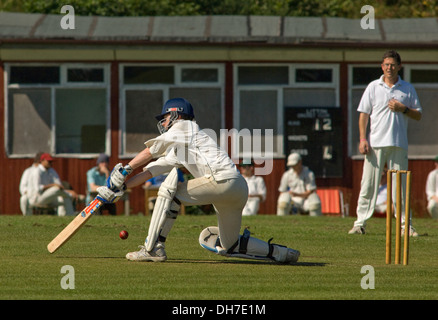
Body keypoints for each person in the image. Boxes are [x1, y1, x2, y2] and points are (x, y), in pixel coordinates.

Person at [97, 97, 300, 264]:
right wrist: (120, 187)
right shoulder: (183, 143)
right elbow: (151, 171)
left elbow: (152, 150)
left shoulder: (185, 127)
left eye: (166, 117)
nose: (163, 122)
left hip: (222, 182)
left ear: (176, 115)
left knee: (171, 190)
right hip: (236, 189)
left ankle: (153, 248)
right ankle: (281, 253)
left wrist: (125, 170)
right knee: (229, 246)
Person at [349, 50, 422, 235]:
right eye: (386, 65)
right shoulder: (373, 87)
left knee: (400, 188)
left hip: (398, 143)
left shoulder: (407, 88)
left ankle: (406, 226)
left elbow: (418, 115)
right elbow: (363, 115)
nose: (389, 68)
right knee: (368, 185)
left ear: (399, 66)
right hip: (375, 144)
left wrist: (403, 108)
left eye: (393, 64)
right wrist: (363, 139)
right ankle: (360, 224)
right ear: (382, 67)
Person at [276, 152, 322, 216]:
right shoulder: (286, 175)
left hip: (306, 201)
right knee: (283, 200)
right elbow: (282, 191)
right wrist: (290, 196)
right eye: (292, 165)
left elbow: (311, 191)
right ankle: (281, 223)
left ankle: (317, 223)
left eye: (295, 165)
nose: (293, 167)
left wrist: (297, 194)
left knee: (315, 201)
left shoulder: (309, 174)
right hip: (292, 202)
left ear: (300, 162)